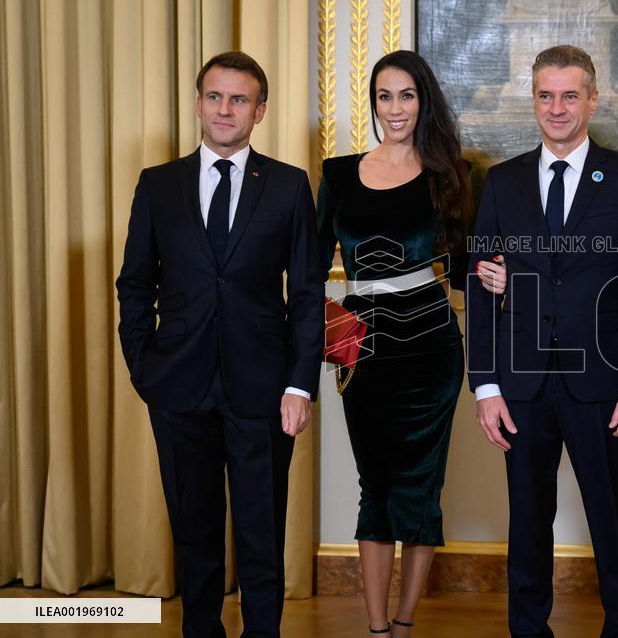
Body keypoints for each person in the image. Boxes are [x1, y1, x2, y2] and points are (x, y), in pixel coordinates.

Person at [116, 51, 324, 637]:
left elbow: (307, 292)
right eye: (214, 96)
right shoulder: (158, 185)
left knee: (262, 532)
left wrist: (299, 383)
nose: (224, 109)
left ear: (259, 111)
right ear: (200, 102)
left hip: (264, 390)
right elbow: (134, 285)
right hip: (177, 386)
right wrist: (144, 367)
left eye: (238, 99)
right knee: (195, 530)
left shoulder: (287, 187)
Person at [465, 45, 618, 638]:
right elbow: (481, 286)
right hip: (521, 386)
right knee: (528, 519)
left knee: (611, 517)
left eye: (570, 95)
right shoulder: (501, 183)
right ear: (533, 100)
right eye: (545, 95)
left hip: (603, 383)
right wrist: (486, 385)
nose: (557, 108)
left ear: (592, 100)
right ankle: (528, 629)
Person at [316, 49, 504, 637]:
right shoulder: (338, 173)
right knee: (376, 487)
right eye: (383, 96)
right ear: (372, 103)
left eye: (406, 95)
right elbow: (308, 269)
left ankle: (403, 625)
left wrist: (493, 275)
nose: (394, 108)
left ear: (424, 101)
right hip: (364, 352)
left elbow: (469, 267)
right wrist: (330, 332)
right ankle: (376, 630)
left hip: (431, 351)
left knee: (422, 491)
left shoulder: (454, 175)